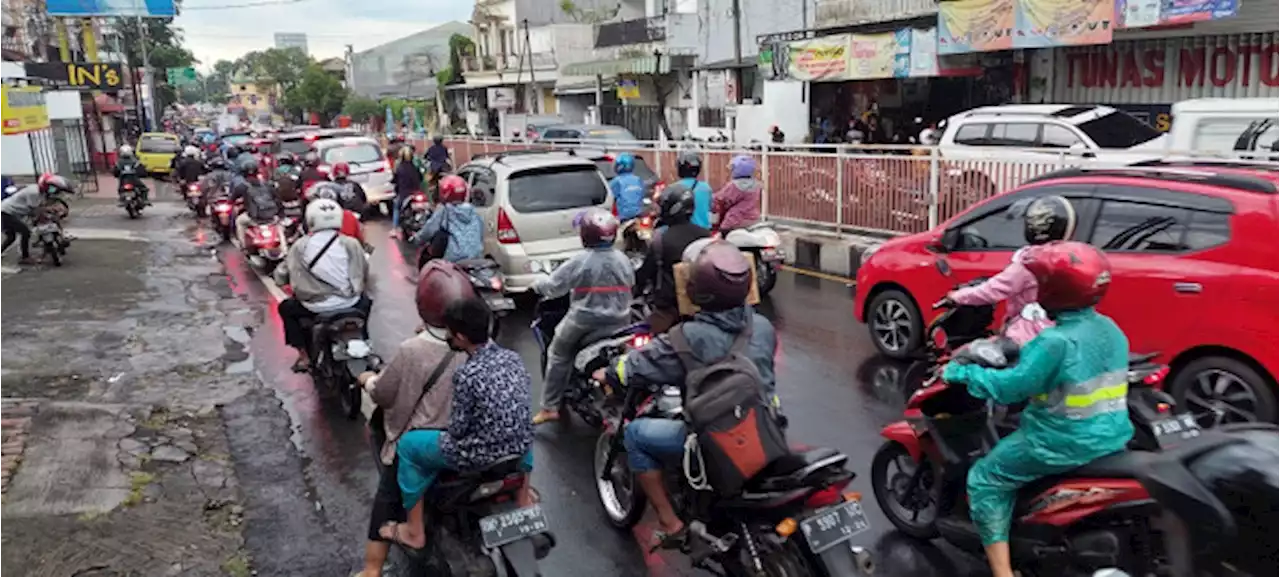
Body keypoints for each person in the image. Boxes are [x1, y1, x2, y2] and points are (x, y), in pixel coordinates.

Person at [942, 241, 1131, 577]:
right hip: (1113, 436)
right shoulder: (1112, 329)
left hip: (1058, 444)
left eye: (1043, 283)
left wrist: (961, 371)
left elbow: (1008, 388)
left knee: (985, 479)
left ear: (1056, 291)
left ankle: (1002, 573)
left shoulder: (1054, 342)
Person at [595, 240, 778, 543]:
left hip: (718, 440)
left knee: (635, 436)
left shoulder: (684, 339)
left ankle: (669, 523)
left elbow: (635, 367)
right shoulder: (762, 327)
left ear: (695, 290)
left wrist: (611, 372)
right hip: (768, 424)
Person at [379, 297, 534, 549]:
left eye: (449, 332)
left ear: (461, 336)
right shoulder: (512, 359)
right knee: (524, 433)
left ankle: (414, 532)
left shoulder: (467, 374)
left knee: (408, 445)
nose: (447, 336)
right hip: (518, 450)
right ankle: (524, 498)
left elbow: (458, 430)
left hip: (476, 456)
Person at [353, 260, 471, 577]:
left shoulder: (412, 350)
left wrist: (368, 381)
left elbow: (384, 395)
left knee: (387, 497)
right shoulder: (478, 343)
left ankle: (372, 569)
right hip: (474, 441)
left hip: (427, 443)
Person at [530, 209, 635, 425]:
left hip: (585, 322)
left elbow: (553, 287)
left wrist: (536, 285)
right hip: (621, 321)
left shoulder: (580, 261)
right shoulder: (623, 259)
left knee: (558, 354)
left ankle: (550, 407)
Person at [940, 195, 1077, 345]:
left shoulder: (1030, 263)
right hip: (1056, 327)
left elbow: (992, 290)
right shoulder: (1067, 257)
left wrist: (956, 296)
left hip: (1028, 334)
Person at [273, 198, 372, 373]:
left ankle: (303, 355)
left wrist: (282, 282)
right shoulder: (351, 243)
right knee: (366, 302)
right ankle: (364, 340)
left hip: (314, 306)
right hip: (351, 302)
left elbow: (283, 274)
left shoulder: (300, 246)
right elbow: (364, 271)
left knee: (286, 309)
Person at [634, 185, 710, 333]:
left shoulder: (660, 240)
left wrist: (634, 289)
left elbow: (645, 274)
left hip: (669, 310)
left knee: (643, 337)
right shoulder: (706, 235)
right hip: (704, 307)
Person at [1, 174, 72, 265]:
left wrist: (49, 209)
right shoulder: (34, 192)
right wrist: (49, 212)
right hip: (7, 212)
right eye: (53, 188)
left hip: (11, 212)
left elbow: (40, 206)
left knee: (11, 236)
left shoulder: (40, 191)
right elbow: (36, 210)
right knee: (25, 232)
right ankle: (24, 257)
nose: (54, 191)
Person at [410, 174, 482, 264]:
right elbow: (480, 234)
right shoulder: (473, 211)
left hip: (452, 260)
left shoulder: (445, 210)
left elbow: (429, 230)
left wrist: (417, 239)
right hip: (475, 258)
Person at [229, 158, 282, 248]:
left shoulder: (242, 186)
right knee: (279, 227)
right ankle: (284, 249)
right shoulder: (267, 184)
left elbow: (231, 200)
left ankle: (243, 245)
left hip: (255, 219)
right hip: (271, 217)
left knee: (239, 222)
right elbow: (276, 198)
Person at [661, 151, 713, 230]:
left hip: (683, 232)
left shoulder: (673, 188)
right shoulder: (706, 188)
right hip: (705, 231)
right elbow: (710, 207)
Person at [713, 155, 762, 233]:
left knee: (719, 239)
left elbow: (720, 198)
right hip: (753, 219)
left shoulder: (734, 186)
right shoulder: (756, 185)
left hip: (734, 221)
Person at [390, 146, 423, 239]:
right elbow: (420, 178)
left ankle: (394, 229)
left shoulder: (399, 168)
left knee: (396, 207)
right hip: (416, 193)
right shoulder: (415, 167)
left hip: (404, 194)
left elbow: (394, 179)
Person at [609, 153, 646, 222]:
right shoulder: (638, 179)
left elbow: (609, 198)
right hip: (639, 215)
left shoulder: (616, 181)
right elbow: (642, 195)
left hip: (623, 217)